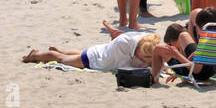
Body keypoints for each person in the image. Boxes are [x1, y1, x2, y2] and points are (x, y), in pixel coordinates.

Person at [22, 21, 175, 76]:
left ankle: (60, 50)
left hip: (100, 50)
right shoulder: (124, 46)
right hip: (94, 59)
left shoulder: (147, 41)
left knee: (77, 53)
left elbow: (155, 59)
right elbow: (123, 67)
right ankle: (35, 56)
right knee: (62, 59)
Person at [162, 8, 216, 81]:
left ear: (202, 27)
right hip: (212, 70)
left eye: (196, 27)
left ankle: (153, 79)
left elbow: (197, 69)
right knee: (183, 35)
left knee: (160, 49)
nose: (196, 30)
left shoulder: (206, 44)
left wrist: (177, 55)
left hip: (199, 74)